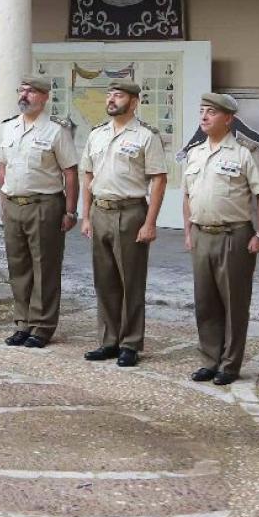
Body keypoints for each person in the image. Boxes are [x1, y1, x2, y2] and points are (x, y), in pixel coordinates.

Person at [183, 93, 259, 387]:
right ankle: (210, 360)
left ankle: (230, 364)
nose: (204, 117)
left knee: (234, 302)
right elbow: (187, 196)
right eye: (202, 111)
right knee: (205, 302)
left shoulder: (245, 152)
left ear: (228, 119)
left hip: (235, 235)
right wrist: (187, 232)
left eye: (211, 112)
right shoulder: (195, 153)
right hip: (202, 235)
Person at [80, 81, 168, 368]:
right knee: (104, 281)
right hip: (100, 210)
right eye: (109, 95)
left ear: (134, 102)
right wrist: (85, 215)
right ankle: (108, 340)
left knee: (131, 281)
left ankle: (130, 343)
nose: (111, 99)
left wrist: (150, 222)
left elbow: (158, 179)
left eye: (118, 95)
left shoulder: (146, 136)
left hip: (130, 213)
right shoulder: (97, 134)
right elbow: (87, 174)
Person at [0, 75, 79, 348]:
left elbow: (70, 172)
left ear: (44, 97)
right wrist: (4, 200)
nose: (24, 95)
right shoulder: (9, 127)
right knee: (18, 267)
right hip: (14, 205)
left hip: (44, 205)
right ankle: (23, 322)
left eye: (31, 91)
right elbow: (2, 167)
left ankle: (42, 326)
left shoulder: (56, 131)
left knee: (44, 267)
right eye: (22, 90)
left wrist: (70, 211)